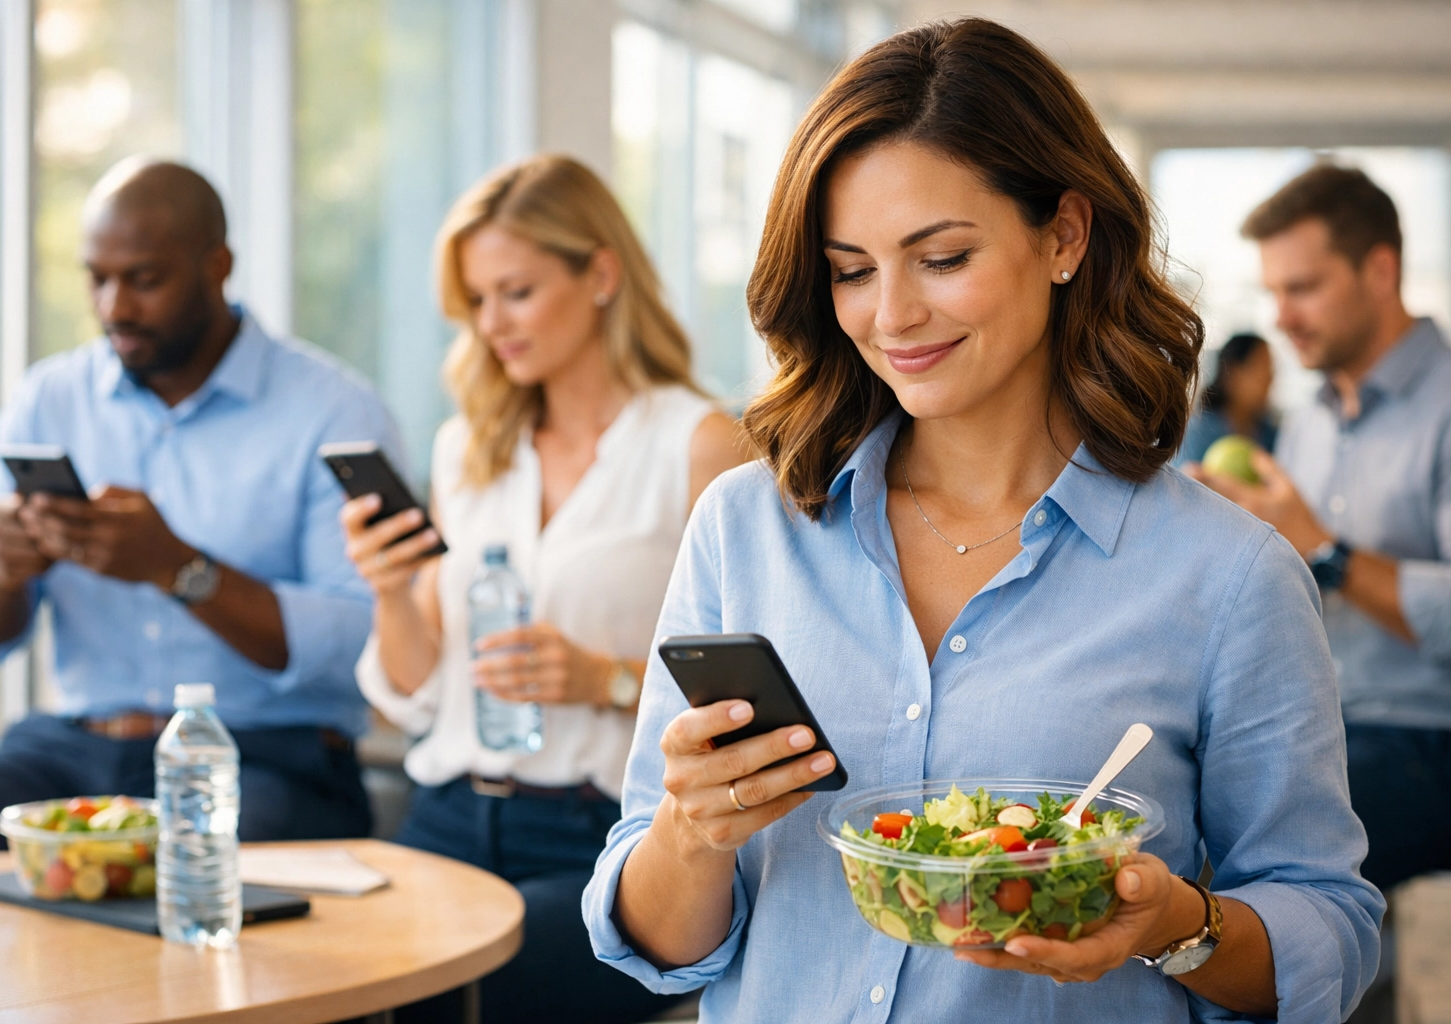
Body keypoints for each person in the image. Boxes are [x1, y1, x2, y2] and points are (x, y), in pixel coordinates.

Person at [583, 20, 1382, 1023]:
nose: (892, 315)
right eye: (851, 269)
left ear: (1064, 236)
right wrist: (691, 834)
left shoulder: (1226, 575)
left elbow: (1332, 930)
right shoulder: (747, 529)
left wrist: (1175, 922)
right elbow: (654, 944)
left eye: (942, 256)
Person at [340, 154, 746, 1024]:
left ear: (600, 274)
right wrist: (390, 588)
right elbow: (415, 693)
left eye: (515, 292)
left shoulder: (700, 447)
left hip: (598, 835)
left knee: (475, 997)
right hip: (445, 816)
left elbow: (763, 687)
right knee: (336, 984)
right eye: (477, 301)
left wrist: (603, 681)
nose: (493, 324)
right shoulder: (467, 450)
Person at [0, 158, 398, 851]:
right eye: (97, 278)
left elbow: (363, 639)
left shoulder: (335, 412)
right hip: (74, 753)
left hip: (265, 760)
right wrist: (1, 569)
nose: (115, 307)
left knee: (191, 870)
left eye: (144, 279)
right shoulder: (51, 399)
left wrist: (177, 569)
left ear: (217, 266)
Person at [1191, 163, 1451, 894]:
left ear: (1380, 269)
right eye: (1273, 292)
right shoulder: (1306, 425)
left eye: (1302, 288)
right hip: (1317, 725)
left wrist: (1324, 551)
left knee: (1219, 877)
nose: (1280, 316)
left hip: (1419, 736)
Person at [1177, 332, 1277, 464]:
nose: (1270, 380)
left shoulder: (1272, 436)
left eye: (1271, 371)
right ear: (1233, 374)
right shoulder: (1198, 433)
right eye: (1262, 369)